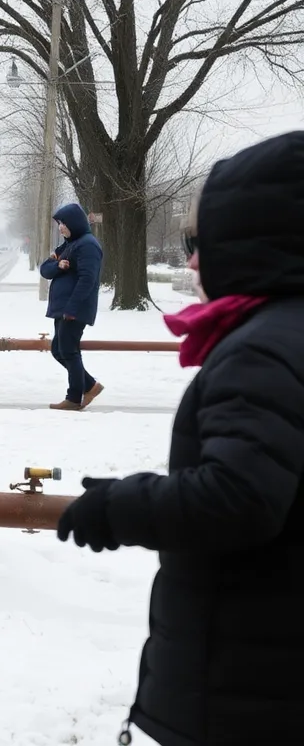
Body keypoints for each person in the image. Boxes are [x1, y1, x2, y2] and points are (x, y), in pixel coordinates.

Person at [55, 130, 304, 746]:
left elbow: (238, 498)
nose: (191, 261)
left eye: (201, 242)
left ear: (255, 241)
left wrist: (117, 507)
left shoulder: (264, 350)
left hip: (244, 687)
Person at [39, 202, 104, 411]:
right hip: (63, 309)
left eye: (63, 223)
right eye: (59, 224)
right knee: (58, 350)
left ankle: (74, 397)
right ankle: (90, 385)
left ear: (74, 223)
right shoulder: (68, 245)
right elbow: (45, 269)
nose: (61, 228)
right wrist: (57, 265)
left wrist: (72, 308)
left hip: (74, 310)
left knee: (68, 350)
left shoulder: (87, 245)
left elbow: (88, 279)